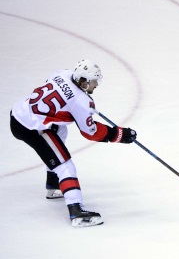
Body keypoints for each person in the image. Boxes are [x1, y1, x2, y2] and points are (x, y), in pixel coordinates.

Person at [10, 59, 137, 228]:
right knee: (65, 165)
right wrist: (119, 134)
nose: (96, 85)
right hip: (31, 127)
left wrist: (77, 108)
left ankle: (54, 183)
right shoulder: (81, 102)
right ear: (83, 81)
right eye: (93, 82)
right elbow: (90, 132)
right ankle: (76, 211)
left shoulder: (62, 73)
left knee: (61, 131)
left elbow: (57, 96)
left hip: (19, 113)